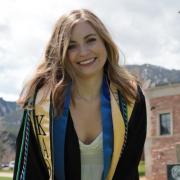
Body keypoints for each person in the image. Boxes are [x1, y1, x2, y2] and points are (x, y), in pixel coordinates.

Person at [13, 9, 147, 180]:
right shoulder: (41, 103)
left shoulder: (130, 98)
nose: (83, 52)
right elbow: (29, 173)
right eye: (71, 45)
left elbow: (127, 172)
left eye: (90, 40)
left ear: (104, 42)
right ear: (61, 52)